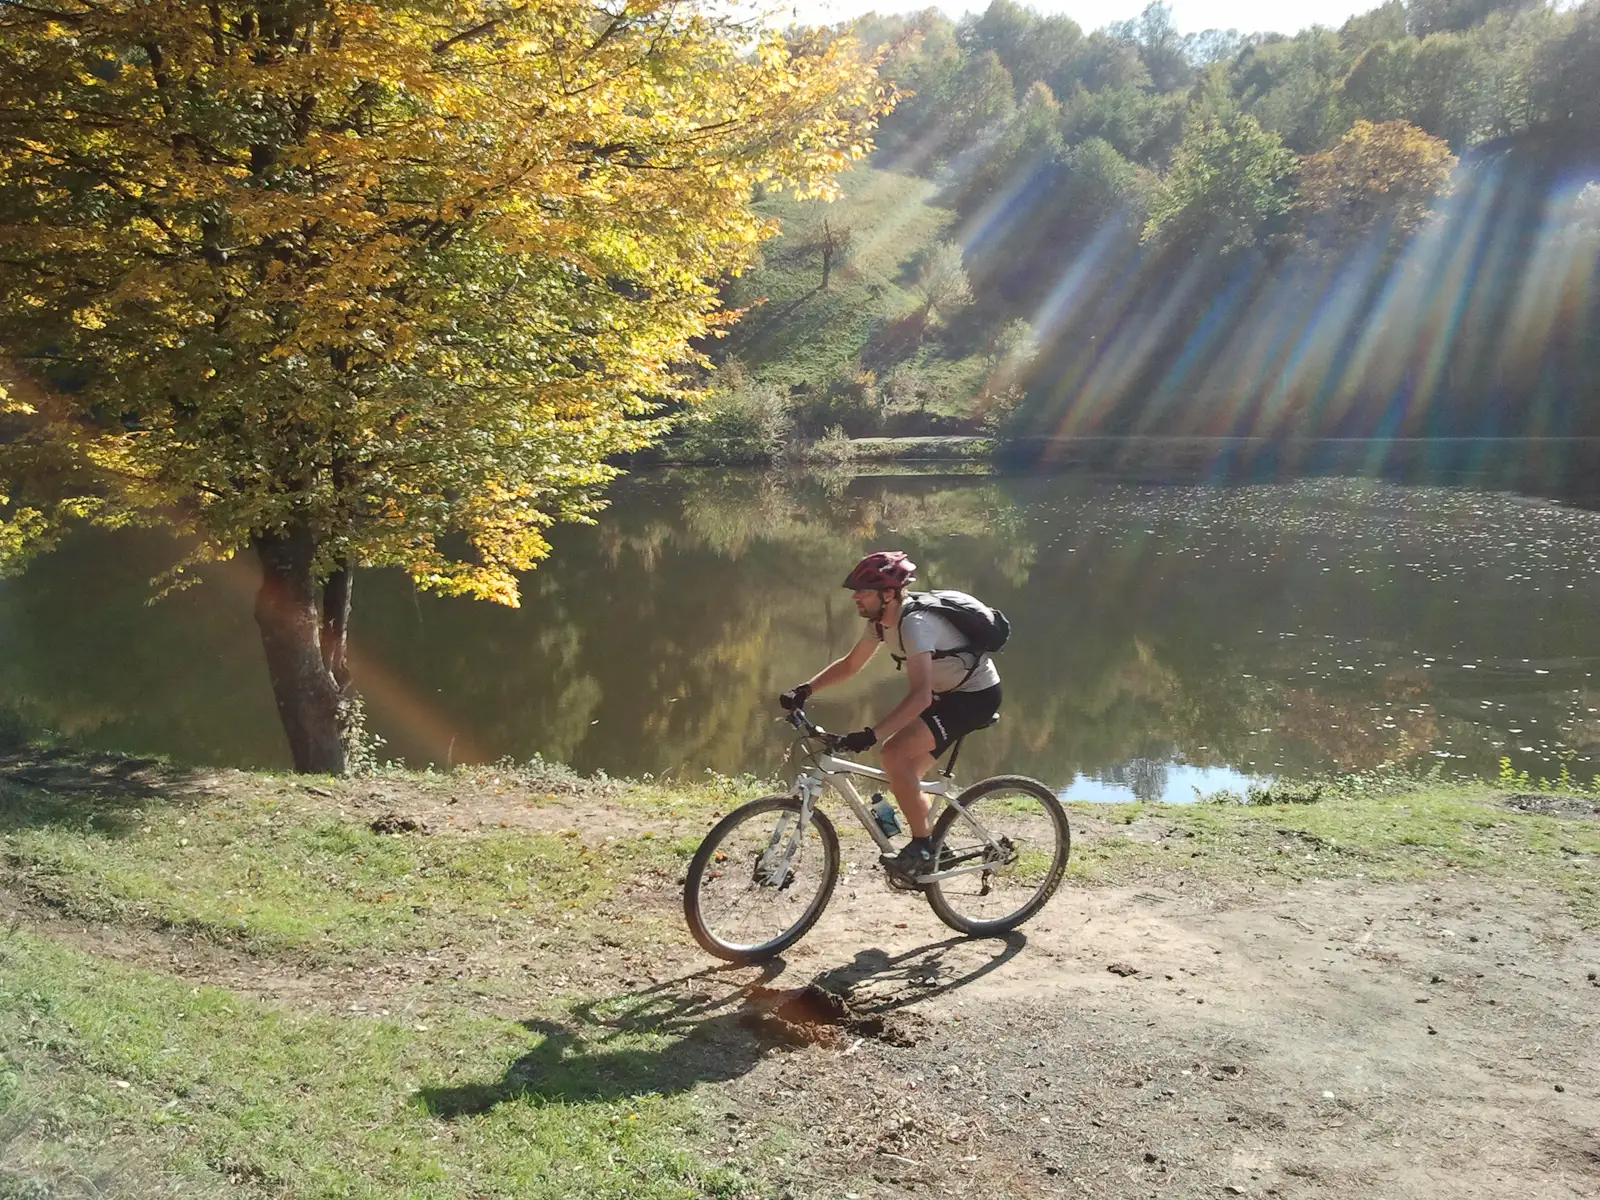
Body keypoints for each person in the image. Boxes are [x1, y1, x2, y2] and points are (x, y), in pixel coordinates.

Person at [779, 551, 1001, 884]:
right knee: (903, 773)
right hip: (945, 694)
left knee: (893, 754)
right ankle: (937, 848)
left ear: (887, 595)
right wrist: (805, 690)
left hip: (974, 697)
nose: (855, 597)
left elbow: (920, 695)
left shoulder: (915, 625)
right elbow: (851, 664)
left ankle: (923, 847)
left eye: (862, 591)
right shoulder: (881, 625)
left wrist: (871, 733)